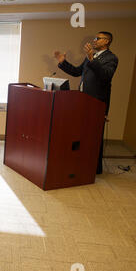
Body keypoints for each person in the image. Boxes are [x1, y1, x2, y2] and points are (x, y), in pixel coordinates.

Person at [55, 31, 118, 174]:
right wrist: (63, 63)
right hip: (83, 100)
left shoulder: (112, 58)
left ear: (107, 41)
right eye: (94, 38)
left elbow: (106, 77)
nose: (94, 40)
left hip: (96, 102)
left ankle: (93, 169)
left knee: (93, 136)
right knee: (82, 133)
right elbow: (77, 72)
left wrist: (92, 59)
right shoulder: (91, 57)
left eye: (98, 38)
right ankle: (80, 162)